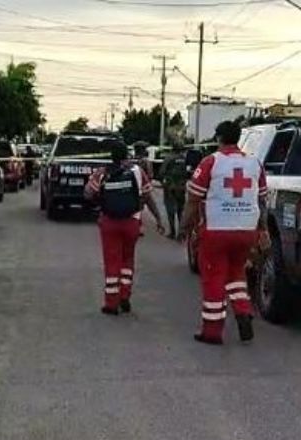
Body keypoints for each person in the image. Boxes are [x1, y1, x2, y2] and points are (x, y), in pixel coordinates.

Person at [180, 121, 270, 345]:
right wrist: (263, 230)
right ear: (238, 138)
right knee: (236, 273)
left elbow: (193, 200)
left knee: (213, 277)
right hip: (246, 230)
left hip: (217, 231)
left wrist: (184, 226)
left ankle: (212, 331)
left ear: (219, 138)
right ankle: (242, 310)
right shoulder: (255, 164)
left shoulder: (211, 162)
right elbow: (262, 201)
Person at [85, 142, 164, 315]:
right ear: (127, 155)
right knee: (127, 260)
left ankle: (111, 304)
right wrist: (158, 219)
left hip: (109, 222)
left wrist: (101, 198)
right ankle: (125, 295)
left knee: (112, 262)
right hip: (132, 222)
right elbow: (148, 197)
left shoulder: (103, 172)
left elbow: (88, 193)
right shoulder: (137, 172)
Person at [158, 143, 188, 239]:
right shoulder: (184, 159)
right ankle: (181, 232)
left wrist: (162, 181)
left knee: (170, 209)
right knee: (180, 209)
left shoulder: (169, 158)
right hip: (181, 187)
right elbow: (188, 173)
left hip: (170, 187)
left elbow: (162, 172)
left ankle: (173, 232)